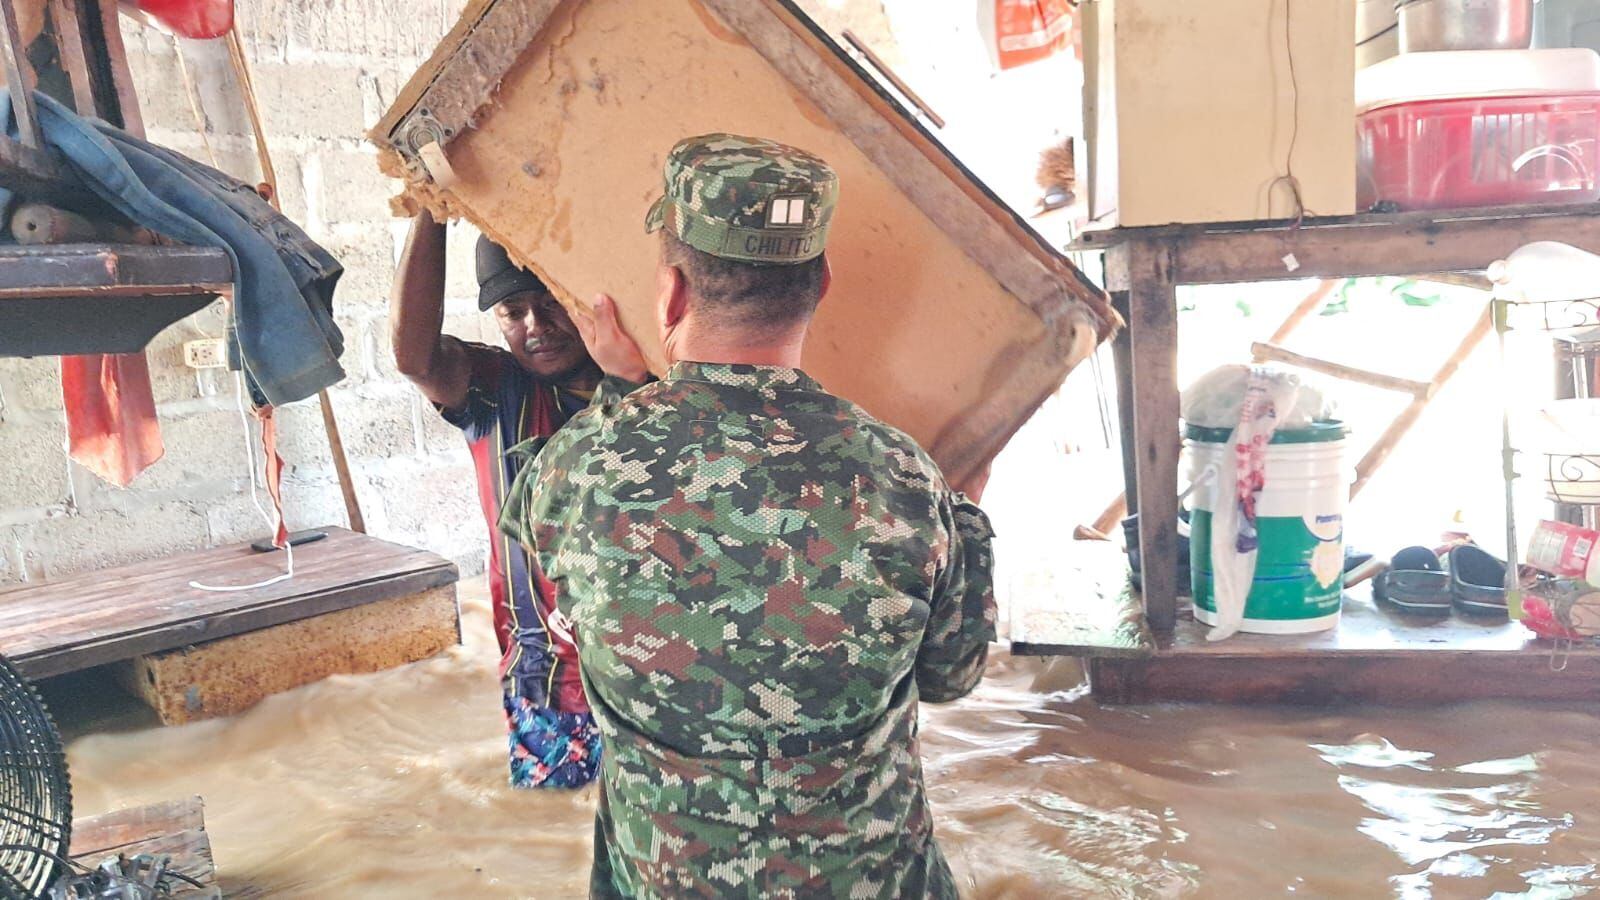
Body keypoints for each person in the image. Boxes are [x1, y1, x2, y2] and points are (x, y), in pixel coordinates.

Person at [501, 134, 997, 897]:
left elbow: (582, 605)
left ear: (671, 292)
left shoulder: (572, 468)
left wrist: (626, 391)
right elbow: (951, 676)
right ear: (821, 284)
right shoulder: (907, 478)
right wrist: (965, 522)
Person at [390, 211, 639, 789]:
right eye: (512, 311)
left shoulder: (650, 388)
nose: (536, 326)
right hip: (549, 680)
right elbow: (414, 359)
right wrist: (430, 208)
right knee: (554, 822)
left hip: (651, 674)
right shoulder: (494, 390)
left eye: (551, 304)